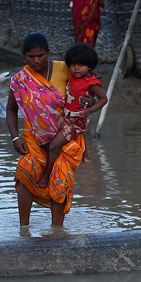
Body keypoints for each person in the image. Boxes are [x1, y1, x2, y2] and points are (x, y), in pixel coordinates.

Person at [6, 32, 90, 227]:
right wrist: (15, 138)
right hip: (34, 138)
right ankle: (23, 229)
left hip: (65, 137)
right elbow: (11, 110)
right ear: (23, 55)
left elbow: (87, 89)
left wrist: (90, 101)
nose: (36, 61)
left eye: (41, 56)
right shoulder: (20, 80)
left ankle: (57, 232)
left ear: (48, 53)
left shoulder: (65, 69)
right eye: (31, 57)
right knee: (25, 173)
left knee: (59, 182)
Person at [36, 43, 107, 188]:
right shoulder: (72, 76)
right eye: (73, 64)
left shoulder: (91, 83)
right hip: (67, 116)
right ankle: (85, 156)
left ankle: (46, 176)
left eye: (81, 65)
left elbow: (104, 99)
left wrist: (90, 109)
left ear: (90, 66)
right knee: (72, 135)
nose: (76, 68)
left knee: (53, 146)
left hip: (76, 119)